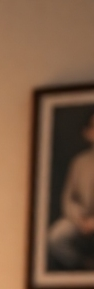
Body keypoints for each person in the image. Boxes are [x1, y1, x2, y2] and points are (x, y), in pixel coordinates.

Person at [47, 111, 94, 271]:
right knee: (56, 237)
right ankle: (85, 267)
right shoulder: (79, 162)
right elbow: (68, 198)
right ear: (87, 133)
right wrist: (80, 219)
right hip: (81, 220)